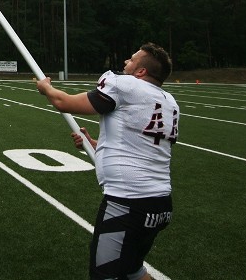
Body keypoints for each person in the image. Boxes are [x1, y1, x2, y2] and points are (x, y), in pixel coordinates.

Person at [36, 43, 179, 280]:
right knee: (133, 271)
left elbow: (64, 103)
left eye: (132, 60)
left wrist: (47, 89)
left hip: (128, 203)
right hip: (160, 204)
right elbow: (142, 144)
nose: (126, 62)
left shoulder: (125, 85)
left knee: (103, 276)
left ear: (141, 71)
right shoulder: (168, 101)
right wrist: (96, 145)